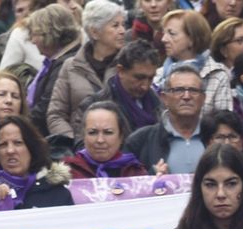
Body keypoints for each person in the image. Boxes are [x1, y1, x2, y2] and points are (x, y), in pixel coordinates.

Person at [47, 0, 128, 144]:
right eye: (115, 25)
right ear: (94, 32)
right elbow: (56, 114)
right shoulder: (70, 66)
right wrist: (75, 142)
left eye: (123, 25)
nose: (122, 31)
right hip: (79, 150)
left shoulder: (128, 65)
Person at [0, 114, 76, 207]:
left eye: (18, 143)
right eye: (3, 145)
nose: (10, 150)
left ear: (32, 148)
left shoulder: (57, 195)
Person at [127, 59, 206, 171]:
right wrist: (153, 177)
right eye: (179, 90)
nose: (187, 96)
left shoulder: (216, 137)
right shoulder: (140, 141)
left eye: (193, 90)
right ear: (164, 98)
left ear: (203, 98)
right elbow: (125, 184)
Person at [25, 4, 85, 138]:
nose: (32, 40)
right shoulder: (54, 61)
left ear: (51, 34)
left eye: (35, 34)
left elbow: (44, 108)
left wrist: (21, 126)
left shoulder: (66, 63)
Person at [79, 38, 160, 137]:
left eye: (151, 78)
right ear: (120, 71)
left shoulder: (161, 105)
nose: (145, 86)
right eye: (139, 78)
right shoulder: (93, 106)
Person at [63, 100, 147, 176]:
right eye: (92, 132)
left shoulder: (135, 172)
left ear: (121, 136)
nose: (100, 140)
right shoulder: (67, 172)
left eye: (108, 132)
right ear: (83, 135)